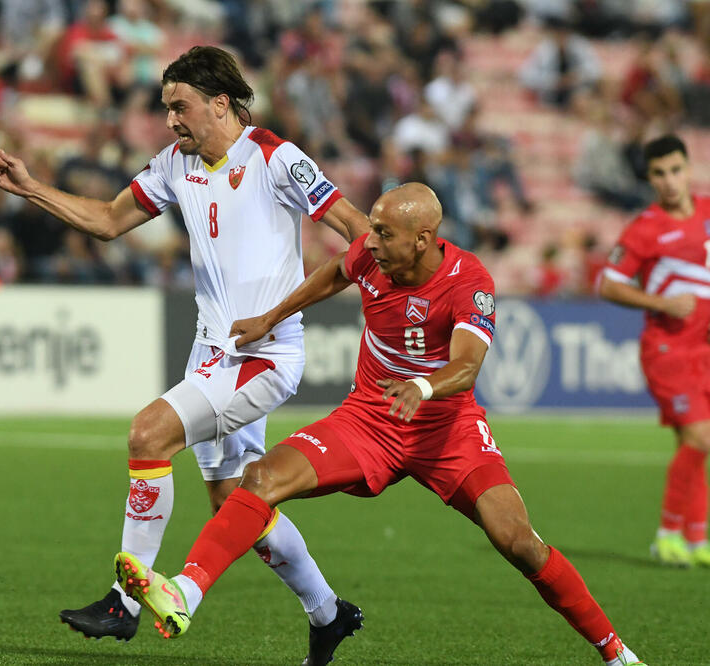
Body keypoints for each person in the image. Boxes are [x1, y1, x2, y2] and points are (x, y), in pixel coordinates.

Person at [114, 183, 645, 666]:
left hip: (448, 430)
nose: (370, 241)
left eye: (385, 233)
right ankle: (186, 591)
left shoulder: (469, 281)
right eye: (372, 229)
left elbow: (467, 366)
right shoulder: (371, 256)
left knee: (518, 541)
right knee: (260, 479)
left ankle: (616, 653)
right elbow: (334, 272)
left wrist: (422, 386)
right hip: (370, 419)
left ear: (423, 239)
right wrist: (271, 319)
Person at [0, 45, 371, 662]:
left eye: (180, 106)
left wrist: (377, 294)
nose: (170, 120)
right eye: (166, 108)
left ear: (220, 104)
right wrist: (31, 189)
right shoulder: (173, 163)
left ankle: (125, 602)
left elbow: (357, 229)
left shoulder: (276, 158)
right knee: (236, 502)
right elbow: (108, 221)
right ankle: (328, 614)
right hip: (210, 353)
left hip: (264, 355)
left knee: (149, 434)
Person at [599, 135, 710, 567]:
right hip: (667, 349)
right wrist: (661, 302)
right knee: (700, 437)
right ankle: (666, 534)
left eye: (675, 170)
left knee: (694, 443)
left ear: (688, 168)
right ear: (650, 179)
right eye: (659, 174)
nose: (669, 181)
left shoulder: (707, 212)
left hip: (703, 348)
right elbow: (608, 284)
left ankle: (696, 539)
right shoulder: (645, 228)